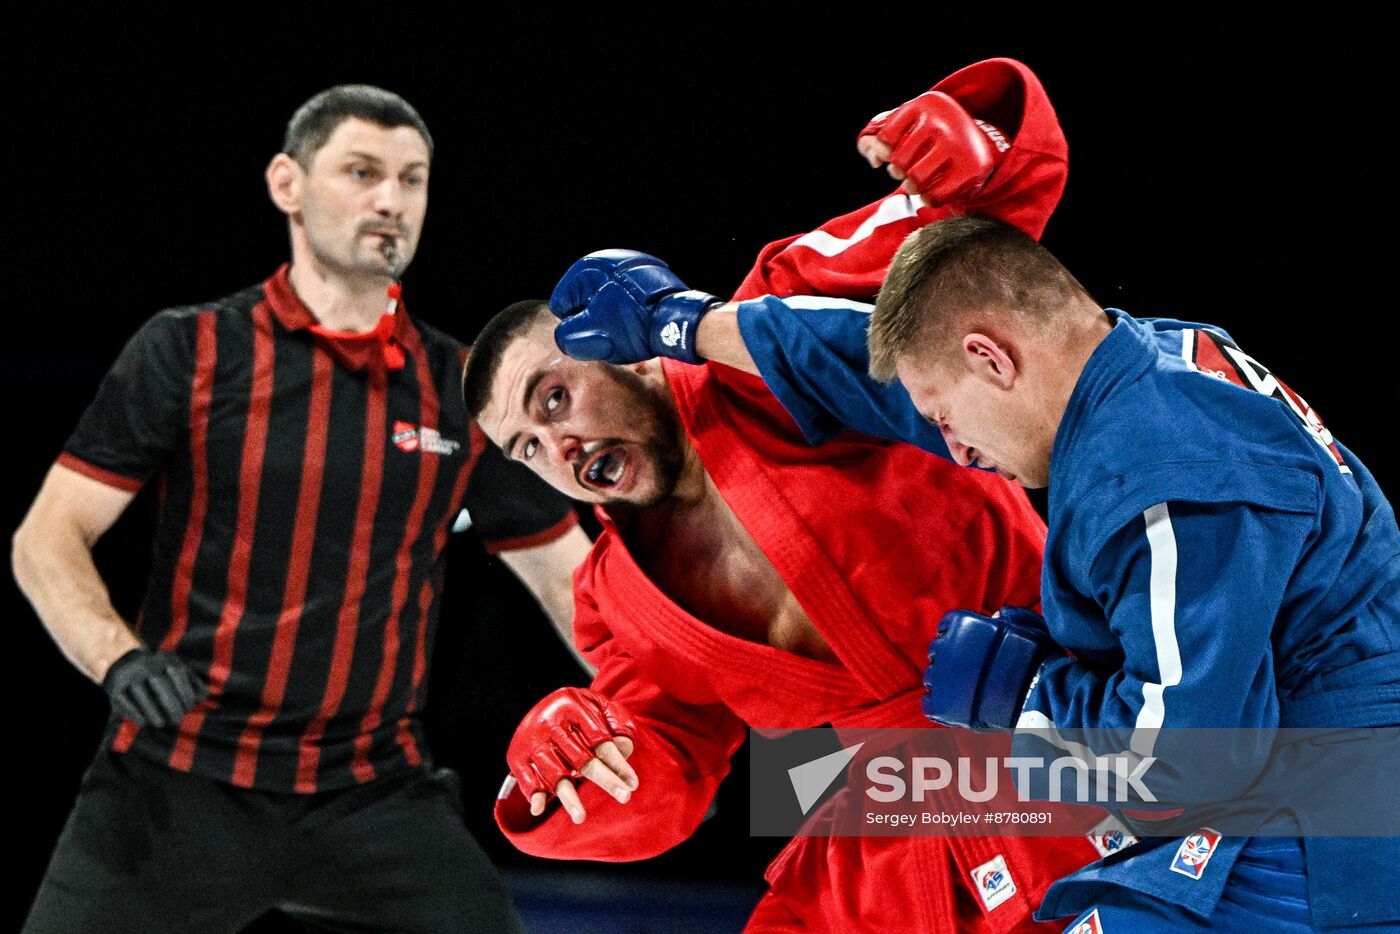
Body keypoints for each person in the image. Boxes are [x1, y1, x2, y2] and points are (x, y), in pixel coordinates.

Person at [551, 211, 1400, 929]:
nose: (952, 448)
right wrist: (686, 324)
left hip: (1325, 808)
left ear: (992, 359)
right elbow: (876, 368)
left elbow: (1184, 766)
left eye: (948, 417)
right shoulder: (1151, 357)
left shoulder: (1160, 481)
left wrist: (1023, 690)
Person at [464, 58, 1106, 932]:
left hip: (1071, 736)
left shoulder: (767, 333)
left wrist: (969, 145)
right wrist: (571, 765)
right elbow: (664, 775)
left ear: (617, 345)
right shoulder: (617, 601)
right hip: (888, 823)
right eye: (526, 448)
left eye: (554, 397)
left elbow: (985, 215)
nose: (559, 447)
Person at [12, 85, 592, 934]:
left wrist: (679, 715)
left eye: (413, 178)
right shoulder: (192, 348)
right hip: (177, 783)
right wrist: (117, 659)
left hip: (373, 795)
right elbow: (47, 538)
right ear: (288, 183)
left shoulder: (461, 388)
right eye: (362, 173)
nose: (391, 200)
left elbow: (576, 586)